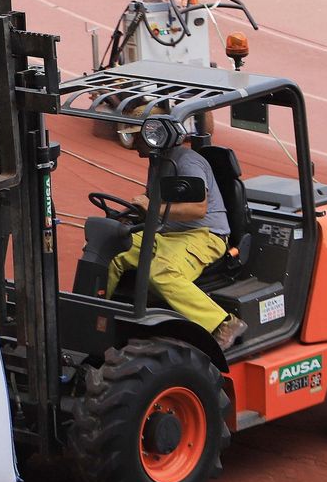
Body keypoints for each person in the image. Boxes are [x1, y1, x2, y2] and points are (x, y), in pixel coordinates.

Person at [106, 132, 248, 350]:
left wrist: (151, 207)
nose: (131, 143)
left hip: (205, 235)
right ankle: (96, 312)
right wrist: (132, 215)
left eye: (135, 136)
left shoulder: (188, 162)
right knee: (112, 247)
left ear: (154, 136)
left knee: (161, 271)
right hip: (167, 233)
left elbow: (198, 209)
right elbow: (161, 207)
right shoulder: (159, 162)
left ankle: (223, 323)